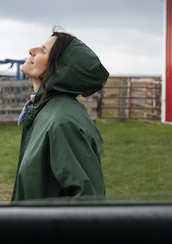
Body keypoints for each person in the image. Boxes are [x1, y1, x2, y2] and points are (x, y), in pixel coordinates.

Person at [11, 29, 109, 202]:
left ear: (60, 69)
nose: (31, 50)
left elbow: (87, 201)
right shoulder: (46, 109)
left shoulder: (61, 121)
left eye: (43, 51)